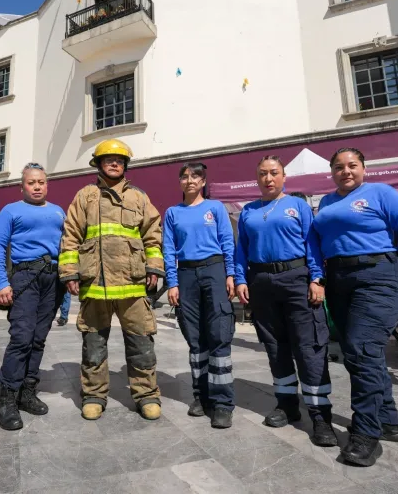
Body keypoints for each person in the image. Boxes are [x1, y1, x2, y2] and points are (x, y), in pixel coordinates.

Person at [312, 147, 398, 467]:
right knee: (359, 352)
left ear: (363, 168)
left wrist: (397, 264)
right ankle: (388, 421)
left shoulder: (381, 192)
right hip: (340, 278)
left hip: (378, 276)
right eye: (339, 167)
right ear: (331, 172)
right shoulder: (327, 202)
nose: (346, 171)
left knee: (361, 349)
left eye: (353, 165)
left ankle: (367, 434)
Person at [59, 139, 165, 421]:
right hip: (96, 283)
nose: (115, 163)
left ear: (126, 165)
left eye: (119, 160)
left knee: (141, 343)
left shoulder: (139, 198)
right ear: (99, 164)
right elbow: (71, 236)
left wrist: (154, 267)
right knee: (93, 344)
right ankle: (94, 395)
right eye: (109, 159)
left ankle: (147, 395)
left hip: (132, 283)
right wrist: (69, 272)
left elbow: (153, 236)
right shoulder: (85, 196)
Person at [235, 156, 337, 447]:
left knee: (309, 348)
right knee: (275, 347)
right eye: (263, 173)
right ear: (257, 178)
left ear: (284, 177)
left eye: (274, 173)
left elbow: (312, 245)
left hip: (296, 279)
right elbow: (242, 249)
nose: (268, 178)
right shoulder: (248, 212)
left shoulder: (298, 206)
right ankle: (287, 404)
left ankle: (320, 415)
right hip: (261, 282)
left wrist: (317, 279)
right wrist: (241, 278)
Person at [0, 163, 67, 431]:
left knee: (38, 338)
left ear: (47, 184)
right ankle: (7, 400)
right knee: (21, 337)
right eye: (31, 182)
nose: (37, 187)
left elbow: (67, 246)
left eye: (41, 182)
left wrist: (70, 278)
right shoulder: (11, 210)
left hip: (53, 279)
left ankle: (27, 391)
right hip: (25, 278)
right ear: (22, 186)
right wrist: (1, 282)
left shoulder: (58, 211)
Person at [163, 162, 236, 429]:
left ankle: (223, 403)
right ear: (179, 182)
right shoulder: (172, 213)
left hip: (214, 270)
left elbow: (228, 241)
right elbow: (168, 249)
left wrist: (230, 275)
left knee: (218, 335)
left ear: (204, 181)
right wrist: (172, 282)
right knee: (195, 339)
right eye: (184, 176)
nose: (190, 180)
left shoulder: (215, 208)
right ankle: (200, 396)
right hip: (186, 276)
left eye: (195, 176)